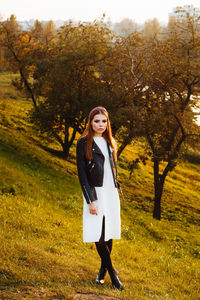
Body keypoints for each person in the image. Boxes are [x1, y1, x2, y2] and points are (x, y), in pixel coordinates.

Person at [76, 106, 123, 290]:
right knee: (98, 232)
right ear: (90, 122)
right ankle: (112, 272)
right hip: (96, 192)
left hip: (110, 192)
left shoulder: (111, 141)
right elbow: (82, 173)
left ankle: (102, 271)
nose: (101, 124)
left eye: (104, 121)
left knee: (109, 229)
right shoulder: (83, 142)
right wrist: (91, 199)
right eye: (97, 121)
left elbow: (112, 171)